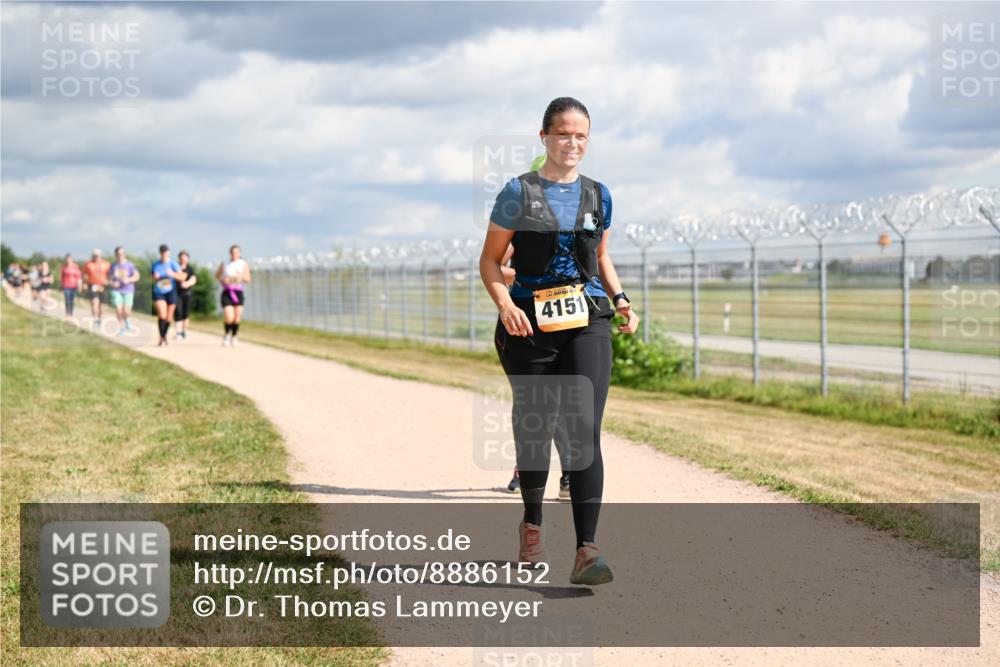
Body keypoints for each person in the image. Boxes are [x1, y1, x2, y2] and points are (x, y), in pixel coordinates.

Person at [479, 97, 639, 586]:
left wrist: (622, 297)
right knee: (536, 426)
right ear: (545, 137)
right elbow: (490, 261)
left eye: (582, 136)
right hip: (528, 321)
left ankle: (587, 550)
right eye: (564, 134)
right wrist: (505, 304)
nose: (573, 144)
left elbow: (602, 256)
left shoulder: (599, 194)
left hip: (587, 316)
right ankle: (531, 524)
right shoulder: (517, 192)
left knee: (584, 425)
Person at [500, 244, 573, 501]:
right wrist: (530, 279)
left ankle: (568, 474)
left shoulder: (573, 226)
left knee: (559, 403)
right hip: (527, 321)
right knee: (530, 401)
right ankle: (525, 467)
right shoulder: (518, 228)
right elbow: (494, 266)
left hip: (567, 320)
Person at [215, 244, 251, 347]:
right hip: (227, 292)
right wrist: (224, 278)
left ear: (239, 253)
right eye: (233, 252)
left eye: (237, 252)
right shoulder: (225, 263)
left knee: (237, 317)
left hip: (238, 292)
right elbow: (217, 276)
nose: (235, 254)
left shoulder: (243, 264)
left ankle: (234, 336)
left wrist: (239, 277)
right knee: (229, 316)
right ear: (230, 253)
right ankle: (227, 334)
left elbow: (248, 279)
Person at [150, 244, 186, 346]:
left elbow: (183, 277)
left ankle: (164, 336)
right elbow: (151, 277)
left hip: (171, 292)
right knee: (162, 314)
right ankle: (161, 338)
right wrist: (155, 277)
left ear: (168, 253)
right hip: (159, 292)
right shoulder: (155, 264)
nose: (165, 255)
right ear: (160, 253)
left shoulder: (173, 264)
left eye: (166, 253)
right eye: (163, 253)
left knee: (169, 317)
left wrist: (172, 274)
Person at [109, 246, 140, 335]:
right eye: (119, 254)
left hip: (128, 290)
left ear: (125, 254)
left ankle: (127, 320)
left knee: (126, 311)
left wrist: (129, 280)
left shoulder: (130, 265)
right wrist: (112, 283)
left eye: (122, 253)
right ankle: (121, 327)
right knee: (118, 309)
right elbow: (109, 278)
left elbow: (137, 276)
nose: (121, 255)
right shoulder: (113, 265)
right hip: (116, 290)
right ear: (116, 255)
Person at [82, 249, 110, 327]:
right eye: (94, 255)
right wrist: (84, 283)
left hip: (103, 286)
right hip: (92, 285)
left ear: (100, 256)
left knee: (102, 305)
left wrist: (108, 281)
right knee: (94, 302)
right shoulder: (88, 264)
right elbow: (84, 274)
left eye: (97, 255)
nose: (96, 257)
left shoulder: (106, 264)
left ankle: (100, 318)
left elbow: (110, 274)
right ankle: (95, 319)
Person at [174, 250, 198, 340]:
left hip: (187, 294)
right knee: (178, 312)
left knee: (185, 314)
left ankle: (184, 331)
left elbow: (194, 279)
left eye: (185, 258)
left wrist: (187, 284)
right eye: (182, 258)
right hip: (177, 293)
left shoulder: (189, 268)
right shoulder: (175, 267)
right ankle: (178, 332)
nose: (183, 260)